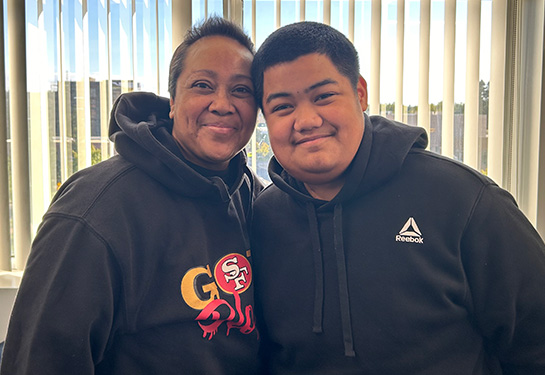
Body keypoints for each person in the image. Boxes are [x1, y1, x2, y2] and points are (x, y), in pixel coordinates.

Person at [251, 21, 545, 374]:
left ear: (360, 93)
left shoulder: (463, 201)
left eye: (323, 96)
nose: (307, 120)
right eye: (283, 107)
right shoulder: (263, 218)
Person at [0, 17, 263, 374]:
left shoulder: (251, 194)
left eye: (241, 90)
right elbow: (40, 361)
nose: (222, 104)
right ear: (172, 102)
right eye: (202, 85)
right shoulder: (97, 209)